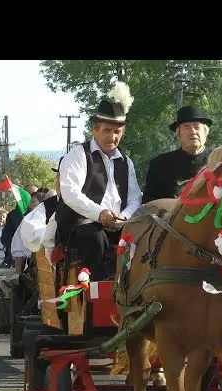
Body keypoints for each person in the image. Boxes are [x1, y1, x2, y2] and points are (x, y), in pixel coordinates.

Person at [55, 82, 142, 281]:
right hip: (80, 225)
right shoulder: (78, 155)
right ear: (95, 129)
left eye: (117, 132)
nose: (112, 136)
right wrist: (100, 214)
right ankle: (97, 290)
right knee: (96, 237)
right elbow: (70, 193)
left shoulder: (126, 162)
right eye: (107, 130)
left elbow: (136, 197)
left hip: (118, 224)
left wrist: (123, 218)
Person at [141, 105, 213, 204]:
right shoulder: (160, 164)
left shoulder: (218, 160)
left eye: (197, 127)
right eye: (186, 127)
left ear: (205, 132)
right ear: (178, 134)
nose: (193, 132)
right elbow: (148, 203)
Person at [20, 157, 63, 262]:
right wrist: (53, 235)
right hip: (55, 265)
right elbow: (32, 231)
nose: (60, 182)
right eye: (58, 177)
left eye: (66, 177)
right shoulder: (46, 206)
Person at [2, 184, 38, 265]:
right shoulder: (13, 215)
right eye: (27, 194)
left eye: (34, 195)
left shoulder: (47, 214)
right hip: (17, 260)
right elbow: (5, 239)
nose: (30, 197)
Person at [10, 190, 46, 273]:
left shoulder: (54, 216)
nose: (30, 205)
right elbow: (18, 249)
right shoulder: (27, 221)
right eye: (30, 202)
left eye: (33, 202)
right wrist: (18, 274)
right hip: (33, 266)